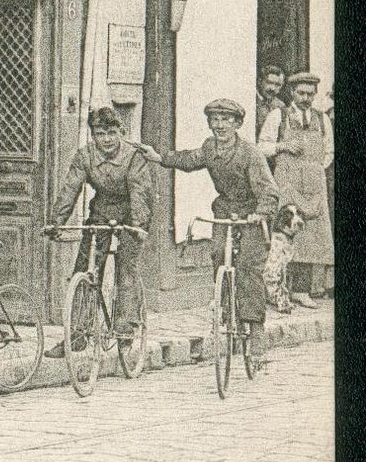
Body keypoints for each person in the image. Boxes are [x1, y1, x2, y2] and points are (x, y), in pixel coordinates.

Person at [137, 99, 279, 362]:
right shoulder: (210, 147)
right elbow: (190, 159)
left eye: (227, 120)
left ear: (237, 124)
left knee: (249, 267)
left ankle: (256, 334)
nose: (220, 125)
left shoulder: (250, 153)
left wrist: (260, 213)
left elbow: (269, 190)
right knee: (216, 255)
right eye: (215, 120)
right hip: (225, 210)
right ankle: (225, 304)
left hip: (252, 213)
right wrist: (160, 158)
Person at [42, 106, 153, 357]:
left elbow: (139, 193)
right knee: (85, 266)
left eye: (112, 133)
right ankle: (77, 336)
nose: (106, 139)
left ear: (121, 132)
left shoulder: (133, 156)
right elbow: (71, 188)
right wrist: (57, 221)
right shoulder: (84, 156)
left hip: (132, 211)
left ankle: (125, 328)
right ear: (92, 135)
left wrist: (137, 225)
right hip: (102, 209)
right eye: (100, 133)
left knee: (127, 264)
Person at [258, 71, 332, 309]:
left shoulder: (322, 119)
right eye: (301, 93)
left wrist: (316, 169)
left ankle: (301, 291)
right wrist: (283, 146)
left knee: (312, 237)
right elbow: (262, 147)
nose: (306, 98)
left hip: (313, 186)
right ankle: (277, 288)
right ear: (291, 92)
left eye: (310, 94)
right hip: (287, 184)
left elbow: (330, 150)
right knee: (284, 238)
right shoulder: (277, 116)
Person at [255, 65, 287, 135]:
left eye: (278, 85)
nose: (272, 88)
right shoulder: (251, 101)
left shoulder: (281, 106)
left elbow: (282, 135)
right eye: (269, 82)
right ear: (260, 81)